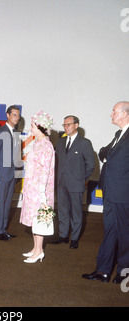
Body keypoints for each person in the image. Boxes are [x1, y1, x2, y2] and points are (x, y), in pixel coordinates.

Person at [82, 101, 129, 284]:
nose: (111, 115)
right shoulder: (119, 134)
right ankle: (103, 271)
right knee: (110, 231)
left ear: (125, 114)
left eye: (114, 111)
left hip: (123, 194)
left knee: (125, 234)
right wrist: (105, 155)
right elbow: (103, 152)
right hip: (110, 192)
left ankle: (124, 273)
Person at [54, 115, 95, 249]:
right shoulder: (60, 142)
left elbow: (90, 165)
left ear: (76, 125)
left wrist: (81, 179)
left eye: (69, 124)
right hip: (61, 183)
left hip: (76, 184)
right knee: (63, 210)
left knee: (76, 212)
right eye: (64, 125)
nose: (66, 127)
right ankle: (63, 235)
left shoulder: (85, 143)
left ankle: (75, 238)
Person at [20, 111, 55, 263]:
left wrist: (42, 192)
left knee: (40, 220)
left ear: (40, 127)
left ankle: (39, 251)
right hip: (32, 188)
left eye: (33, 126)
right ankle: (35, 248)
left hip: (40, 190)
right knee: (34, 220)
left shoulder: (46, 145)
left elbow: (45, 170)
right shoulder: (37, 143)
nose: (31, 128)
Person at [0, 105, 21, 241]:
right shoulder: (0, 132)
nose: (17, 117)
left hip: (11, 175)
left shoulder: (16, 134)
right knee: (0, 204)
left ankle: (3, 229)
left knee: (7, 203)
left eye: (18, 115)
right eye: (14, 115)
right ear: (7, 115)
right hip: (2, 175)